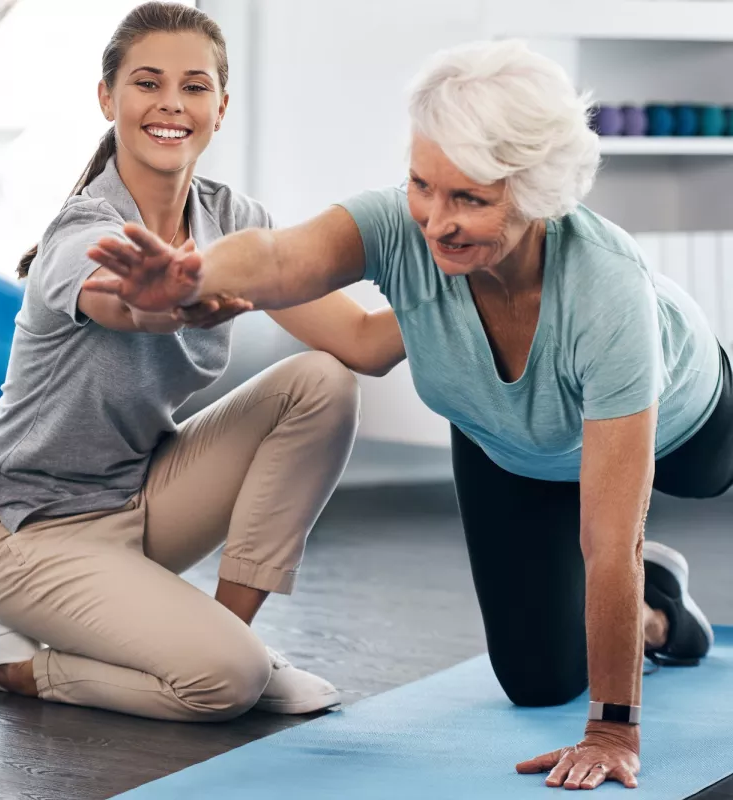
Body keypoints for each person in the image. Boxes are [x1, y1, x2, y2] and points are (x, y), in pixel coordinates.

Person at [86, 39, 732, 790]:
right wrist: (192, 277)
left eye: (470, 198)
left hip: (691, 427)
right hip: (511, 447)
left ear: (538, 192)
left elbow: (609, 539)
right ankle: (660, 610)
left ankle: (642, 596)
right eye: (424, 184)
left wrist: (613, 727)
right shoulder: (401, 226)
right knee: (537, 680)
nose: (436, 219)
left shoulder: (604, 291)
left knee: (683, 498)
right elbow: (280, 258)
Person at [0, 2, 407, 722]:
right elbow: (124, 304)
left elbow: (365, 345)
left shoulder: (235, 220)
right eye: (147, 83)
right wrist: (164, 302)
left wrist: (471, 277)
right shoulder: (84, 231)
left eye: (193, 87)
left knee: (322, 382)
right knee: (221, 686)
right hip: (27, 535)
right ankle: (16, 665)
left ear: (221, 106)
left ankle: (229, 636)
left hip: (140, 500)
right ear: (108, 98)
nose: (170, 105)